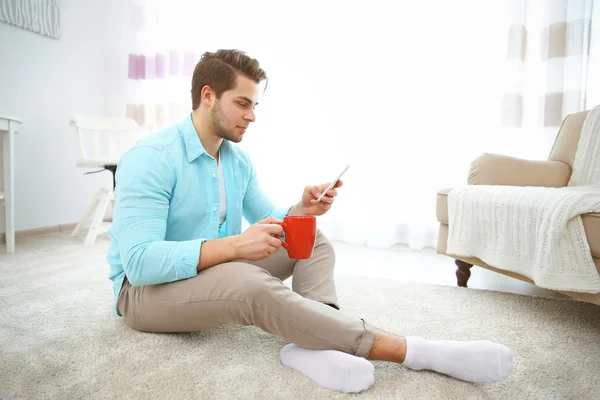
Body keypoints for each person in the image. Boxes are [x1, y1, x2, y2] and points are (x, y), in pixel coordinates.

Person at [107, 49, 513, 393]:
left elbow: (273, 223)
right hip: (144, 294)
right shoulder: (151, 159)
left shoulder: (235, 160)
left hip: (211, 268)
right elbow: (140, 265)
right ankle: (415, 351)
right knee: (249, 284)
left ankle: (315, 346)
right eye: (243, 104)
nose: (252, 116)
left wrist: (301, 211)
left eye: (255, 105)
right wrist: (234, 246)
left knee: (312, 241)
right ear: (208, 96)